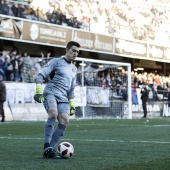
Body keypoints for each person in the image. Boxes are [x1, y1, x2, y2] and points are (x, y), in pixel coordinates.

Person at [34, 41, 81, 158]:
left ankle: (50, 149)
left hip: (63, 97)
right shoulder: (56, 61)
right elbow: (41, 74)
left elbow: (71, 89)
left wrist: (72, 103)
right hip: (51, 92)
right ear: (67, 50)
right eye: (73, 50)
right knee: (53, 113)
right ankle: (46, 147)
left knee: (64, 120)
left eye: (77, 52)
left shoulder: (74, 69)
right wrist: (38, 91)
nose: (75, 53)